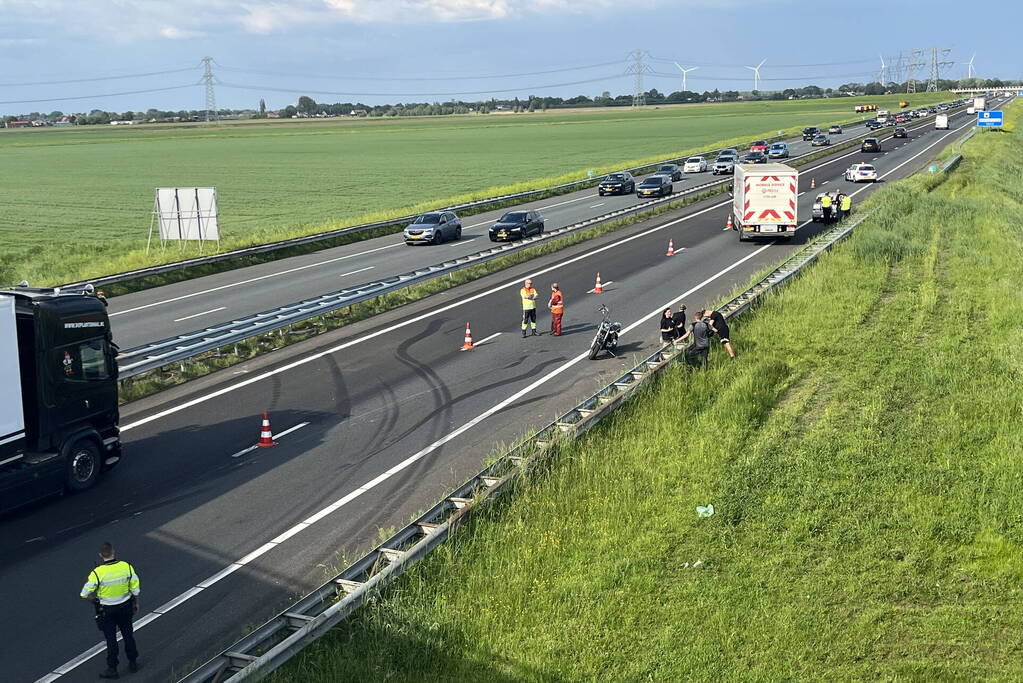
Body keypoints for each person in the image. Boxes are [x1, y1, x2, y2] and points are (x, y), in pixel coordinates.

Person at [81, 542, 141, 679]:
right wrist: (136, 603)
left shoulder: (97, 573)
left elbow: (84, 593)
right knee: (128, 635)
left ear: (101, 555)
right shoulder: (126, 566)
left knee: (111, 639)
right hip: (125, 607)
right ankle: (133, 662)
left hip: (107, 611)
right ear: (113, 551)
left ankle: (112, 668)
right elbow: (135, 588)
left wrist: (94, 599)